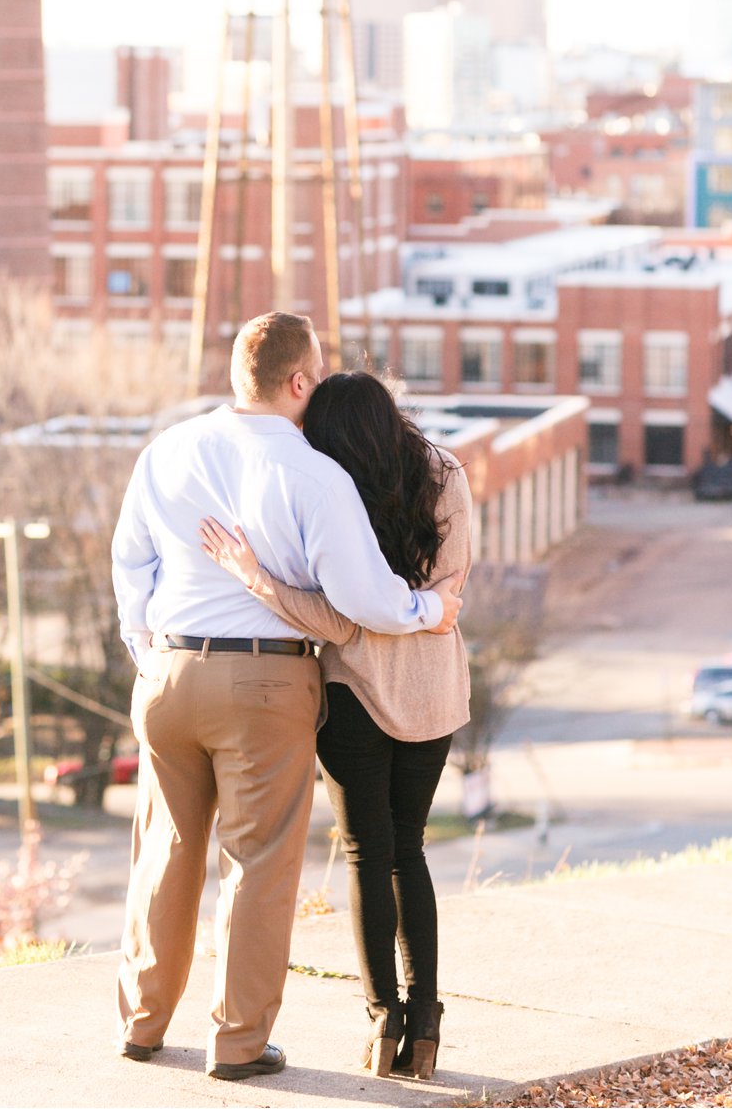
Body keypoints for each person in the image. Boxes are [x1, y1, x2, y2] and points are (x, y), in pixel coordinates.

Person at [111, 314, 463, 1082]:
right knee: (259, 862)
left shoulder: (167, 448)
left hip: (167, 672)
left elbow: (129, 562)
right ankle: (237, 1044)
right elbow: (364, 597)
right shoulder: (314, 475)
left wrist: (147, 652)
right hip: (264, 680)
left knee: (166, 852)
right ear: (299, 382)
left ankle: (142, 1025)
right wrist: (426, 610)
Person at [200, 370, 471, 1080]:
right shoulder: (446, 476)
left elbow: (339, 619)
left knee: (366, 854)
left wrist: (259, 581)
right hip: (434, 688)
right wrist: (420, 612)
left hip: (353, 691)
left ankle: (384, 1018)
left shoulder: (331, 489)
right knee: (407, 850)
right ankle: (428, 1019)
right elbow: (449, 591)